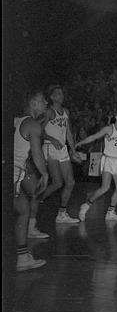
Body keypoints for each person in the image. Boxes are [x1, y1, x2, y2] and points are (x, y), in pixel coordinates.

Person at [76, 109, 117, 221]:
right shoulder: (109, 129)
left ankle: (111, 212)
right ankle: (86, 205)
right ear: (116, 117)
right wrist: (81, 142)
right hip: (108, 160)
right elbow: (94, 137)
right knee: (105, 188)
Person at [14, 91, 50, 271]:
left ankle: (23, 257)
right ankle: (22, 258)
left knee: (23, 209)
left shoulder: (17, 121)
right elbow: (37, 154)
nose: (46, 103)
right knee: (22, 211)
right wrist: (45, 173)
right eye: (43, 101)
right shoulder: (33, 124)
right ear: (34, 104)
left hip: (16, 171)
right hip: (13, 173)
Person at [37, 85, 80, 224]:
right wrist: (52, 138)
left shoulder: (65, 111)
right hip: (50, 148)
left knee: (70, 182)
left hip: (62, 149)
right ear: (52, 97)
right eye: (58, 94)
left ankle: (62, 214)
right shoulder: (49, 112)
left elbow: (68, 133)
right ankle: (36, 199)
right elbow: (39, 131)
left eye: (62, 94)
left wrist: (73, 151)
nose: (61, 96)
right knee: (57, 183)